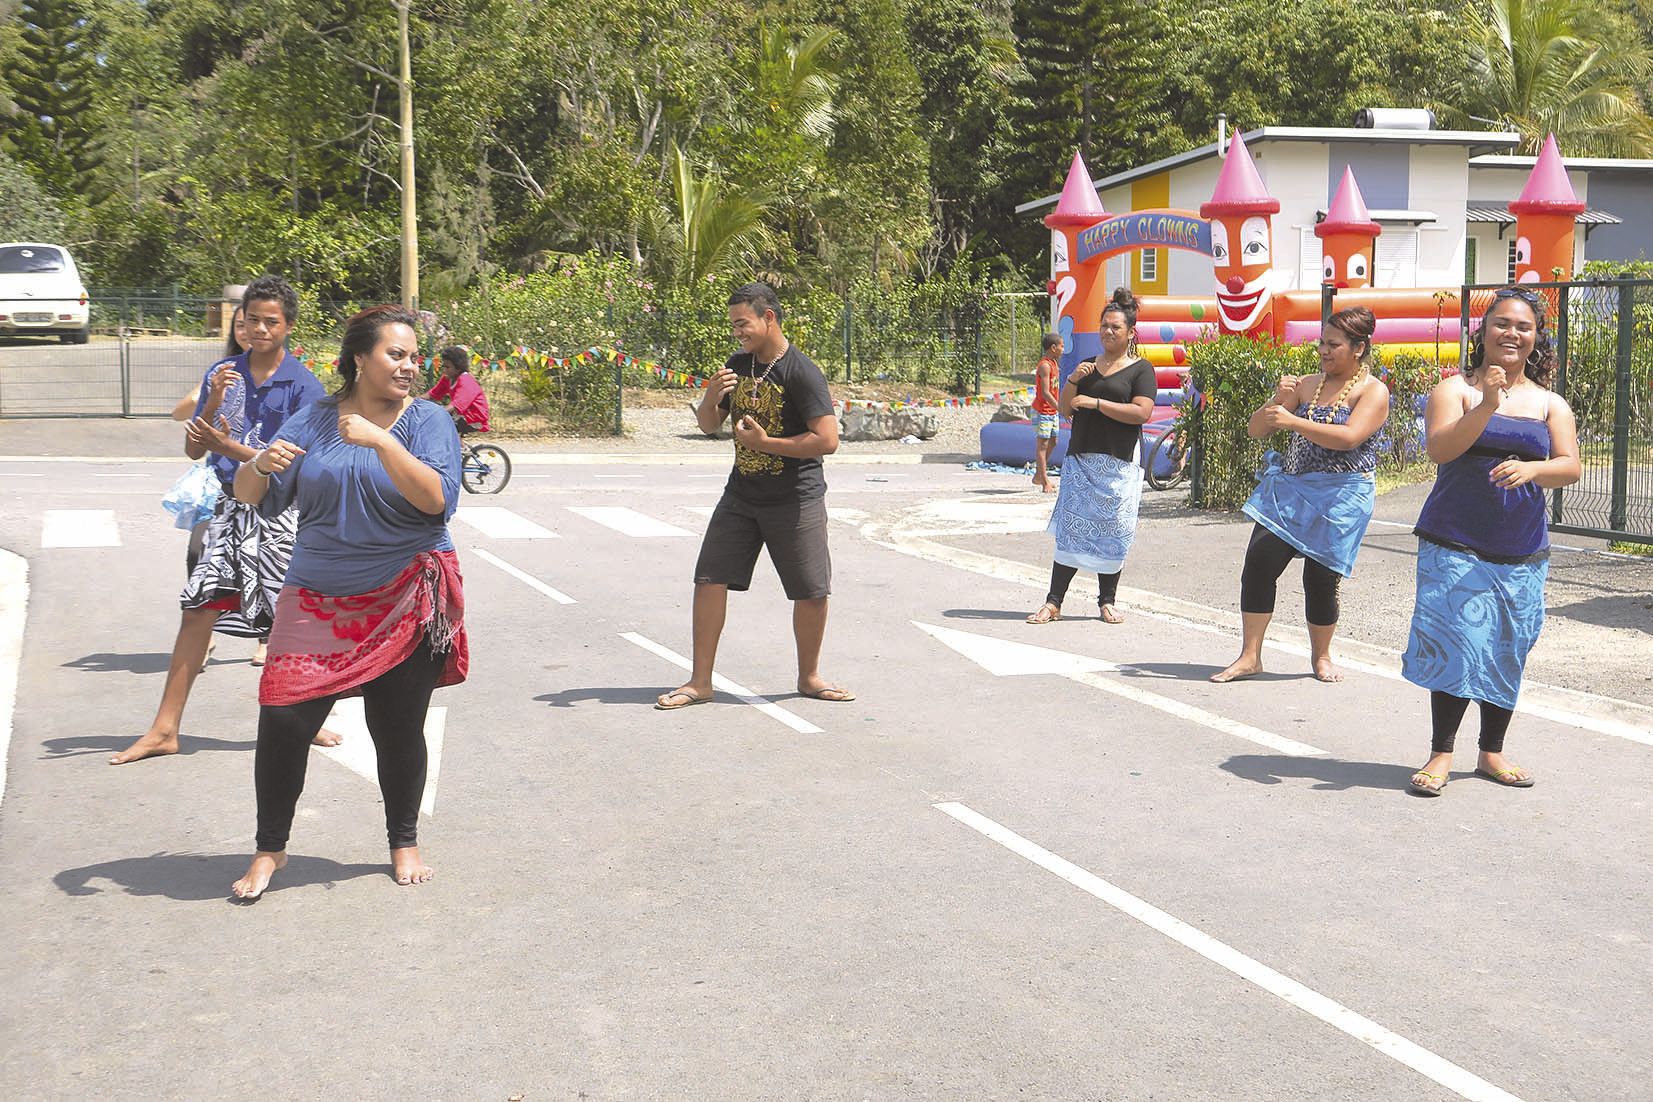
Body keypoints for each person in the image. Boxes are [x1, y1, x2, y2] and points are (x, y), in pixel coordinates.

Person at [229, 305, 467, 898]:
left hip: (407, 592)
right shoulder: (311, 420)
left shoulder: (430, 421)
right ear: (359, 358)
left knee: (397, 725)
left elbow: (437, 499)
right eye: (396, 354)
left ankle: (403, 839)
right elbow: (253, 494)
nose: (410, 366)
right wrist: (258, 463)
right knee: (283, 719)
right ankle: (270, 850)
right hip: (317, 593)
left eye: (415, 357)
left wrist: (383, 443)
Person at [111, 275, 327, 765]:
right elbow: (194, 447)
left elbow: (288, 462)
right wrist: (211, 405)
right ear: (241, 322)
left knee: (294, 621)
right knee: (197, 610)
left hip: (279, 513)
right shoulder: (223, 371)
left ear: (288, 326)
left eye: (271, 321)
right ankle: (165, 730)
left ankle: (309, 719)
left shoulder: (304, 386)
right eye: (252, 320)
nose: (260, 329)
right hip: (229, 509)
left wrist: (227, 445)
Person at [1402, 287, 1579, 796]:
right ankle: (1441, 753)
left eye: (1523, 327)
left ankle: (1491, 751)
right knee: (1454, 643)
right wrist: (1487, 404)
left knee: (1508, 646)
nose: (1512, 334)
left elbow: (1569, 466)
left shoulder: (1550, 404)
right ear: (1483, 332)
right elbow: (1440, 449)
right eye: (1502, 323)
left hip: (1521, 545)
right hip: (1454, 538)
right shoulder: (1454, 391)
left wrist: (1534, 468)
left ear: (1535, 338)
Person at [655, 281, 853, 710]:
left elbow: (827, 440)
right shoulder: (737, 365)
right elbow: (710, 425)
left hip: (795, 497)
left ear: (769, 318)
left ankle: (809, 676)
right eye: (733, 325)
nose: (737, 333)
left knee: (811, 590)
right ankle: (700, 681)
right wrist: (710, 398)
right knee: (709, 578)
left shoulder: (802, 372)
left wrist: (768, 445)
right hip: (741, 495)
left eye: (742, 323)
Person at [1210, 306, 1390, 684]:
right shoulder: (1308, 385)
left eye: (1333, 344)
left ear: (1358, 349)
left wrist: (1294, 421)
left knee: (1321, 579)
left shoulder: (1373, 391)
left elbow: (1349, 437)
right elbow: (1257, 429)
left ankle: (1321, 656)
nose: (1324, 350)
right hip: (1293, 489)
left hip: (1342, 496)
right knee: (1259, 562)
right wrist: (1277, 400)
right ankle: (1250, 656)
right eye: (1322, 342)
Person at [1026, 288, 1155, 626]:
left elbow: (1141, 412)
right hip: (1082, 460)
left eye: (1116, 327)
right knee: (1072, 531)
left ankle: (1107, 601)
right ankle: (1053, 602)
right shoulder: (1086, 367)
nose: (1108, 332)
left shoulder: (1141, 369)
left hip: (1120, 463)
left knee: (1113, 531)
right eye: (1104, 326)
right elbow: (1067, 408)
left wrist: (1097, 403)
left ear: (1130, 333)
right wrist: (1072, 381)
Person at [427, 346, 491, 435]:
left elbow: (455, 406)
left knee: (441, 425)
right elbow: (432, 395)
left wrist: (434, 414)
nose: (444, 370)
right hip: (461, 416)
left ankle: (460, 447)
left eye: (447, 367)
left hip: (474, 419)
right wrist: (412, 400)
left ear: (458, 367)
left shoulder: (466, 381)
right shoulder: (448, 378)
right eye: (443, 366)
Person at [1031, 332, 1063, 493]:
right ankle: (1044, 482)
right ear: (1053, 347)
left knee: (1054, 441)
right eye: (1061, 346)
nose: (1063, 349)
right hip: (1043, 410)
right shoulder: (1045, 365)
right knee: (1042, 445)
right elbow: (1045, 392)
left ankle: (1039, 474)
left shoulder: (1055, 364)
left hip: (1052, 410)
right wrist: (1059, 407)